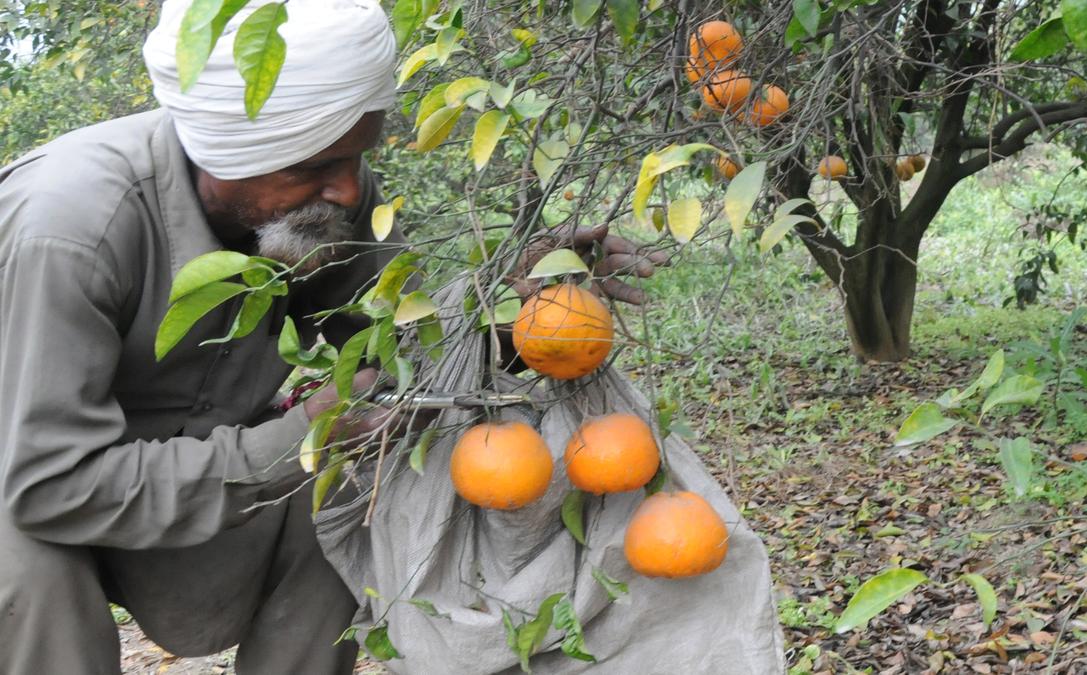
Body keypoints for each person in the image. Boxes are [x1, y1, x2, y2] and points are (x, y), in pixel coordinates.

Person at [0, 2, 664, 673]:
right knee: (25, 562)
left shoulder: (319, 195)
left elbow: (407, 359)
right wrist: (296, 439)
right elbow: (47, 481)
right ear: (234, 152)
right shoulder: (71, 228)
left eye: (356, 158)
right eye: (318, 165)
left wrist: (528, 315)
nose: (348, 189)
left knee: (346, 497)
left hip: (171, 487)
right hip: (28, 490)